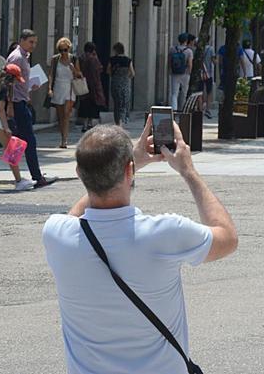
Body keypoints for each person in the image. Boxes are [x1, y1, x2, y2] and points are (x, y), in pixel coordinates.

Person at [43, 119, 237, 374]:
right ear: (129, 172)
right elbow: (228, 238)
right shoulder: (165, 233)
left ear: (79, 173)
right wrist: (188, 170)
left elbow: (78, 214)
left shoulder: (56, 234)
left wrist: (128, 164)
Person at [0, 31, 55, 188]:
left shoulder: (24, 57)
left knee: (8, 141)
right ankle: (35, 177)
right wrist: (11, 104)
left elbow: (18, 82)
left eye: (35, 42)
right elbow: (10, 83)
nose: (33, 45)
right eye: (31, 42)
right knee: (27, 140)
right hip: (16, 105)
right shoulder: (17, 57)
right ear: (22, 41)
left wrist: (29, 87)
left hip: (19, 103)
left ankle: (23, 178)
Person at [0, 57, 29, 189]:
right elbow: (1, 110)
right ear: (12, 78)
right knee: (12, 153)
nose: (16, 82)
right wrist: (6, 127)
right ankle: (19, 181)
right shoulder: (4, 88)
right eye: (16, 79)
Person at [48, 38, 83, 148]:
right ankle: (62, 135)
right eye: (61, 50)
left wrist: (74, 70)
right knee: (60, 115)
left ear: (69, 48)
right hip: (58, 86)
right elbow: (51, 75)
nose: (63, 52)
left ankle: (64, 140)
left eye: (65, 50)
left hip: (69, 87)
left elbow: (79, 75)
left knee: (66, 114)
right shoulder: (55, 60)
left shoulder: (73, 59)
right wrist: (50, 88)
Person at [76, 42, 106, 129]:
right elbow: (100, 69)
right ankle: (90, 123)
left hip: (83, 83)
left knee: (84, 104)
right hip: (93, 85)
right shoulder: (94, 59)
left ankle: (84, 124)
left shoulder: (81, 58)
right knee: (92, 105)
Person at [107, 43, 134, 126]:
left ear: (116, 50)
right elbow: (132, 73)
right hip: (125, 84)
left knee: (116, 104)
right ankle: (123, 120)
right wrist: (126, 77)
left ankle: (117, 122)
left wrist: (114, 74)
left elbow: (108, 71)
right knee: (124, 103)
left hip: (115, 83)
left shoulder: (112, 60)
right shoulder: (128, 60)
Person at [167, 33, 192, 112]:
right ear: (186, 41)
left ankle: (174, 109)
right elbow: (189, 64)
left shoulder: (172, 49)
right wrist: (189, 72)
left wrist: (169, 70)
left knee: (174, 93)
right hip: (185, 74)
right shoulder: (189, 51)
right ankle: (182, 109)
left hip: (174, 73)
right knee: (184, 92)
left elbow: (169, 61)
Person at [199, 40, 215, 119]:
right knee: (209, 91)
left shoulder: (199, 48)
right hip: (209, 73)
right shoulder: (211, 49)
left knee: (200, 91)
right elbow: (214, 60)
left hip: (200, 73)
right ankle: (208, 109)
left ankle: (200, 108)